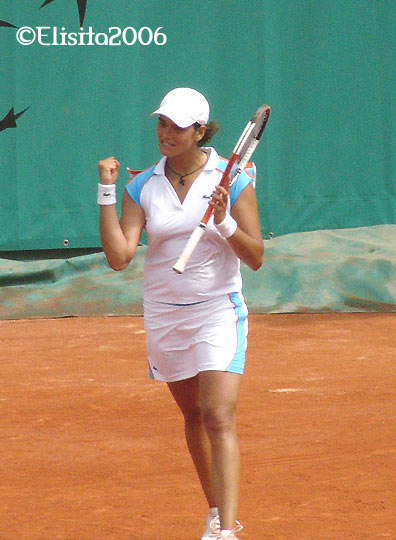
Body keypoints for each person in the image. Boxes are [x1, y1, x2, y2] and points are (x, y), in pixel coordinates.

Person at [97, 87, 264, 540]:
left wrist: (225, 220)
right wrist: (106, 192)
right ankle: (214, 511)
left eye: (177, 126)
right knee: (193, 416)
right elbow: (119, 257)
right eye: (162, 124)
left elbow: (255, 256)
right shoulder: (142, 185)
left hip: (217, 310)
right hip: (165, 315)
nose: (166, 134)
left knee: (218, 415)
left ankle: (225, 532)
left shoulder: (232, 179)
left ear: (199, 131)